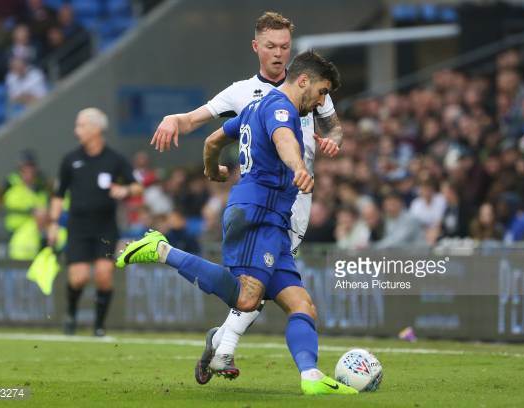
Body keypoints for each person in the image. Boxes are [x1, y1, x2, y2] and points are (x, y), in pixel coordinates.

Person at [118, 51, 356, 395]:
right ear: (303, 81)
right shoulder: (280, 109)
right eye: (321, 92)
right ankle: (161, 250)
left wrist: (212, 168)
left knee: (301, 304)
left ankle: (311, 378)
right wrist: (297, 168)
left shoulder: (254, 107)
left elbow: (213, 140)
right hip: (258, 213)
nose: (321, 101)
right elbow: (284, 139)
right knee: (246, 299)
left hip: (273, 219)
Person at [47, 108, 142, 337]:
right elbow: (59, 194)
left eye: (80, 125)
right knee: (78, 278)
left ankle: (99, 326)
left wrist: (125, 189)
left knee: (103, 274)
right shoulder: (70, 160)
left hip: (105, 227)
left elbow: (137, 186)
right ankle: (70, 314)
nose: (76, 130)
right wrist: (53, 222)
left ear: (96, 129)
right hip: (78, 227)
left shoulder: (115, 159)